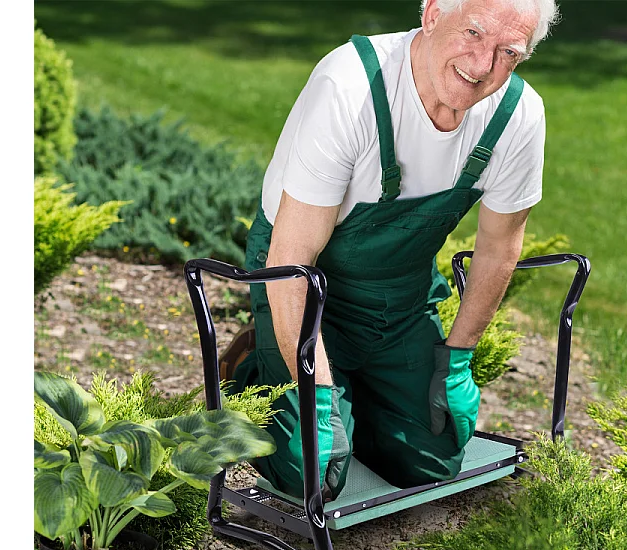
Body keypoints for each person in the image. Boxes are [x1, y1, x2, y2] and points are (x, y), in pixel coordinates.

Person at [229, 0, 560, 501]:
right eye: (472, 32)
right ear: (431, 13)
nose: (482, 65)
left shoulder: (518, 115)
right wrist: (316, 396)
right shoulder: (351, 87)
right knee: (313, 472)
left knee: (433, 460)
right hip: (301, 286)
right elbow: (291, 257)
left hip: (400, 295)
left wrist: (458, 358)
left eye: (507, 52)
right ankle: (251, 362)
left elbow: (499, 245)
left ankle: (354, 394)